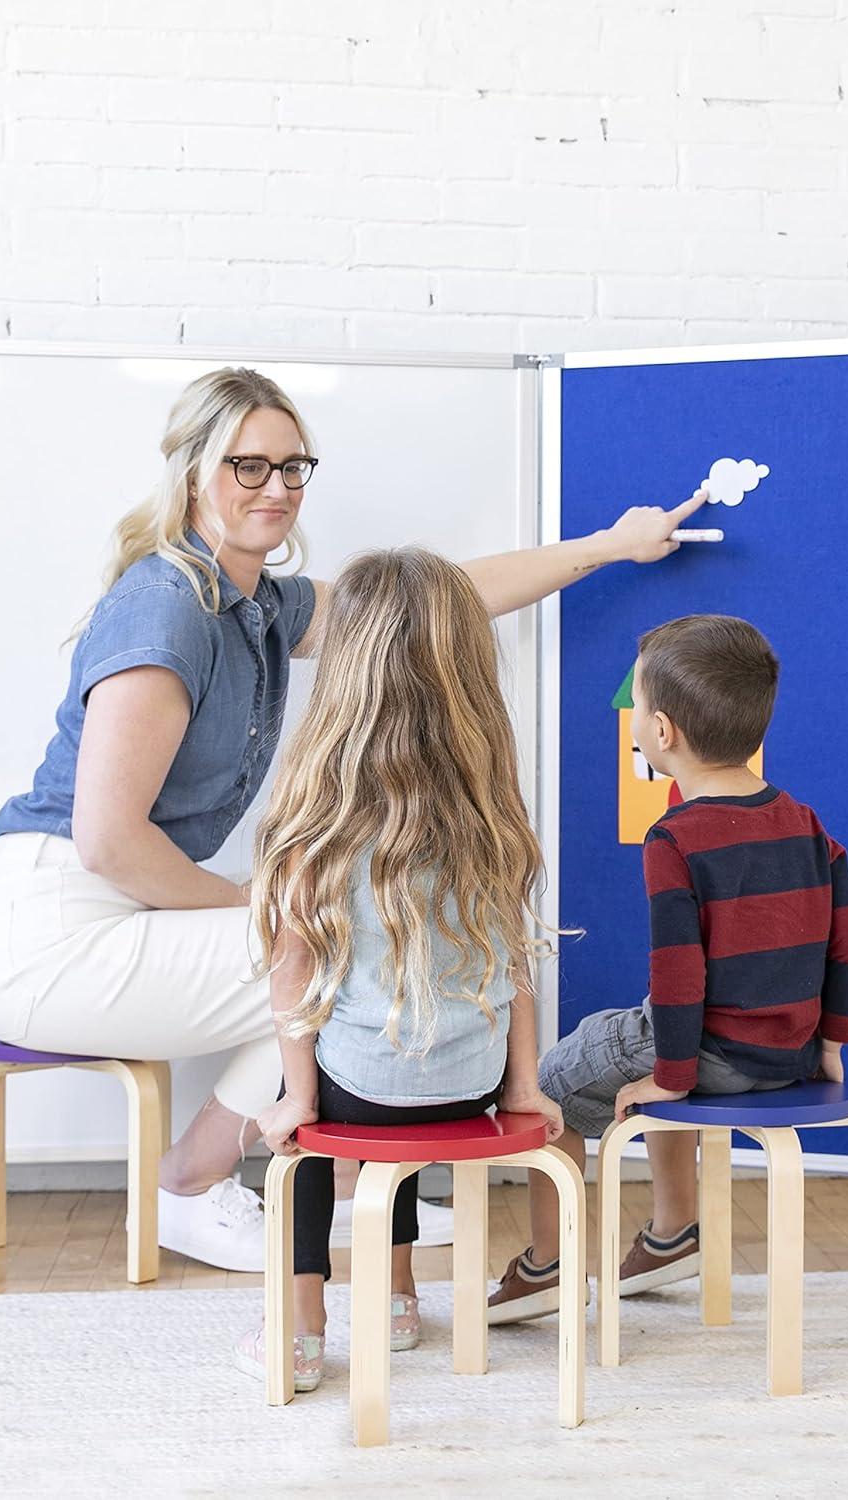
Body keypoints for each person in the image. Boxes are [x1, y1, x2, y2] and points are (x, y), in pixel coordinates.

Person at [0, 365, 705, 1272]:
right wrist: (258, 903)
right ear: (194, 472)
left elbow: (439, 596)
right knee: (332, 941)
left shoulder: (257, 605)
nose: (276, 488)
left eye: (292, 466)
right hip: (53, 934)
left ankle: (341, 1180)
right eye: (248, 466)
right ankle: (209, 1183)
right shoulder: (168, 607)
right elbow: (109, 842)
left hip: (114, 916)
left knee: (335, 933)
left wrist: (611, 546)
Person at [233, 548, 566, 1389]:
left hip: (366, 1085)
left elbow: (295, 983)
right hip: (475, 1081)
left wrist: (300, 1102)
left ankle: (302, 1327)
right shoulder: (491, 812)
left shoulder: (321, 821)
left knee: (311, 1132)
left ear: (348, 673)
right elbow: (515, 965)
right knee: (406, 1062)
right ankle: (399, 1300)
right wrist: (523, 1088)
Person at [489, 614, 848, 1321]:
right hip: (786, 1054)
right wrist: (830, 1044)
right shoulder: (808, 823)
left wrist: (669, 1076)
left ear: (662, 733)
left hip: (712, 1050)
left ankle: (547, 1264)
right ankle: (671, 1234)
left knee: (547, 1087)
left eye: (636, 707)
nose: (632, 720)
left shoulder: (675, 838)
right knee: (650, 1042)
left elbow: (678, 974)